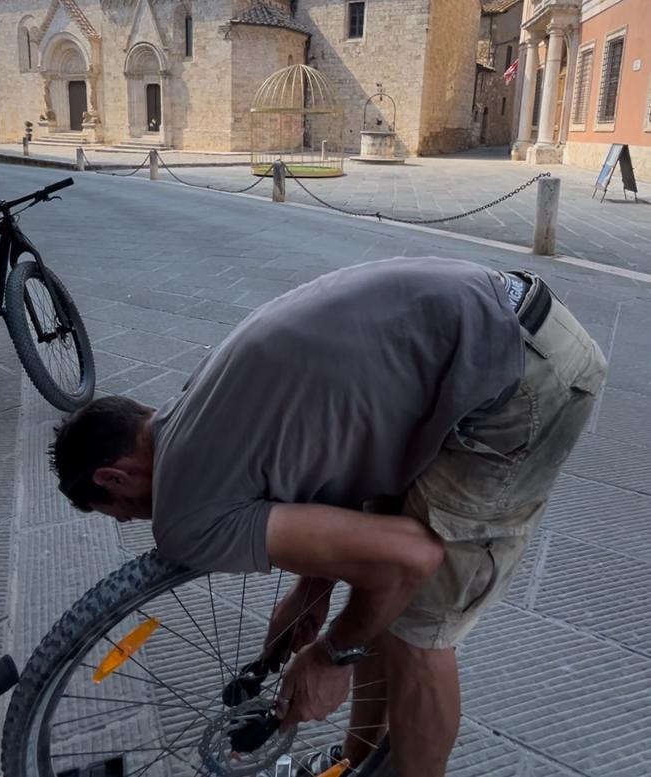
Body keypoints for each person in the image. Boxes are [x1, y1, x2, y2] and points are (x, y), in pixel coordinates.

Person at [50, 257, 606, 777]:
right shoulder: (195, 403)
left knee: (421, 626)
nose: (145, 522)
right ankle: (359, 761)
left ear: (114, 478)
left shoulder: (182, 513)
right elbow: (326, 478)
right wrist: (309, 593)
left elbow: (410, 557)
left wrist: (331, 656)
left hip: (518, 379)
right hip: (502, 322)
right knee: (383, 603)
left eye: (125, 514)